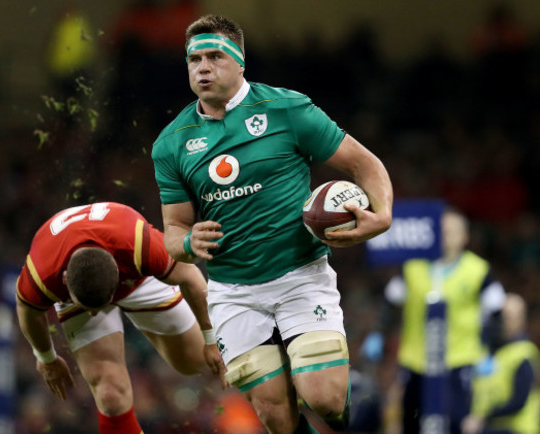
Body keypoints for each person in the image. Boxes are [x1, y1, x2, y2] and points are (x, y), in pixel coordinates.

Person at [151, 15, 393, 433]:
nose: (203, 67)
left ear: (240, 61)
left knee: (324, 399)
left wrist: (383, 215)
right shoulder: (171, 144)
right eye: (194, 59)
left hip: (301, 276)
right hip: (233, 293)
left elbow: (362, 162)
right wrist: (188, 242)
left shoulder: (287, 109)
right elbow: (172, 230)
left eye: (214, 56)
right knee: (276, 417)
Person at [15, 202, 225, 433]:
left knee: (196, 363)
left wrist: (210, 338)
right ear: (65, 280)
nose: (95, 314)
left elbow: (190, 276)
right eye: (90, 309)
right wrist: (46, 359)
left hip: (135, 278)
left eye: (99, 307)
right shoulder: (42, 273)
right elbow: (28, 311)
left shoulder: (140, 246)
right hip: (84, 281)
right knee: (109, 395)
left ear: (117, 271)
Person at [361, 208, 507, 433]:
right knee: (412, 420)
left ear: (464, 237)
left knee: (455, 421)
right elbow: (391, 303)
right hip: (416, 359)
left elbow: (497, 311)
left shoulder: (478, 270)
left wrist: (491, 350)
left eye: (451, 231)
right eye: (441, 230)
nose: (445, 235)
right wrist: (378, 335)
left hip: (459, 359)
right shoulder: (412, 266)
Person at [462, 293, 540, 434]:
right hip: (486, 426)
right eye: (499, 316)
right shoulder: (485, 351)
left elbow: (518, 401)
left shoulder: (523, 353)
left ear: (520, 320)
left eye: (508, 316)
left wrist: (483, 418)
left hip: (516, 429)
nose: (501, 321)